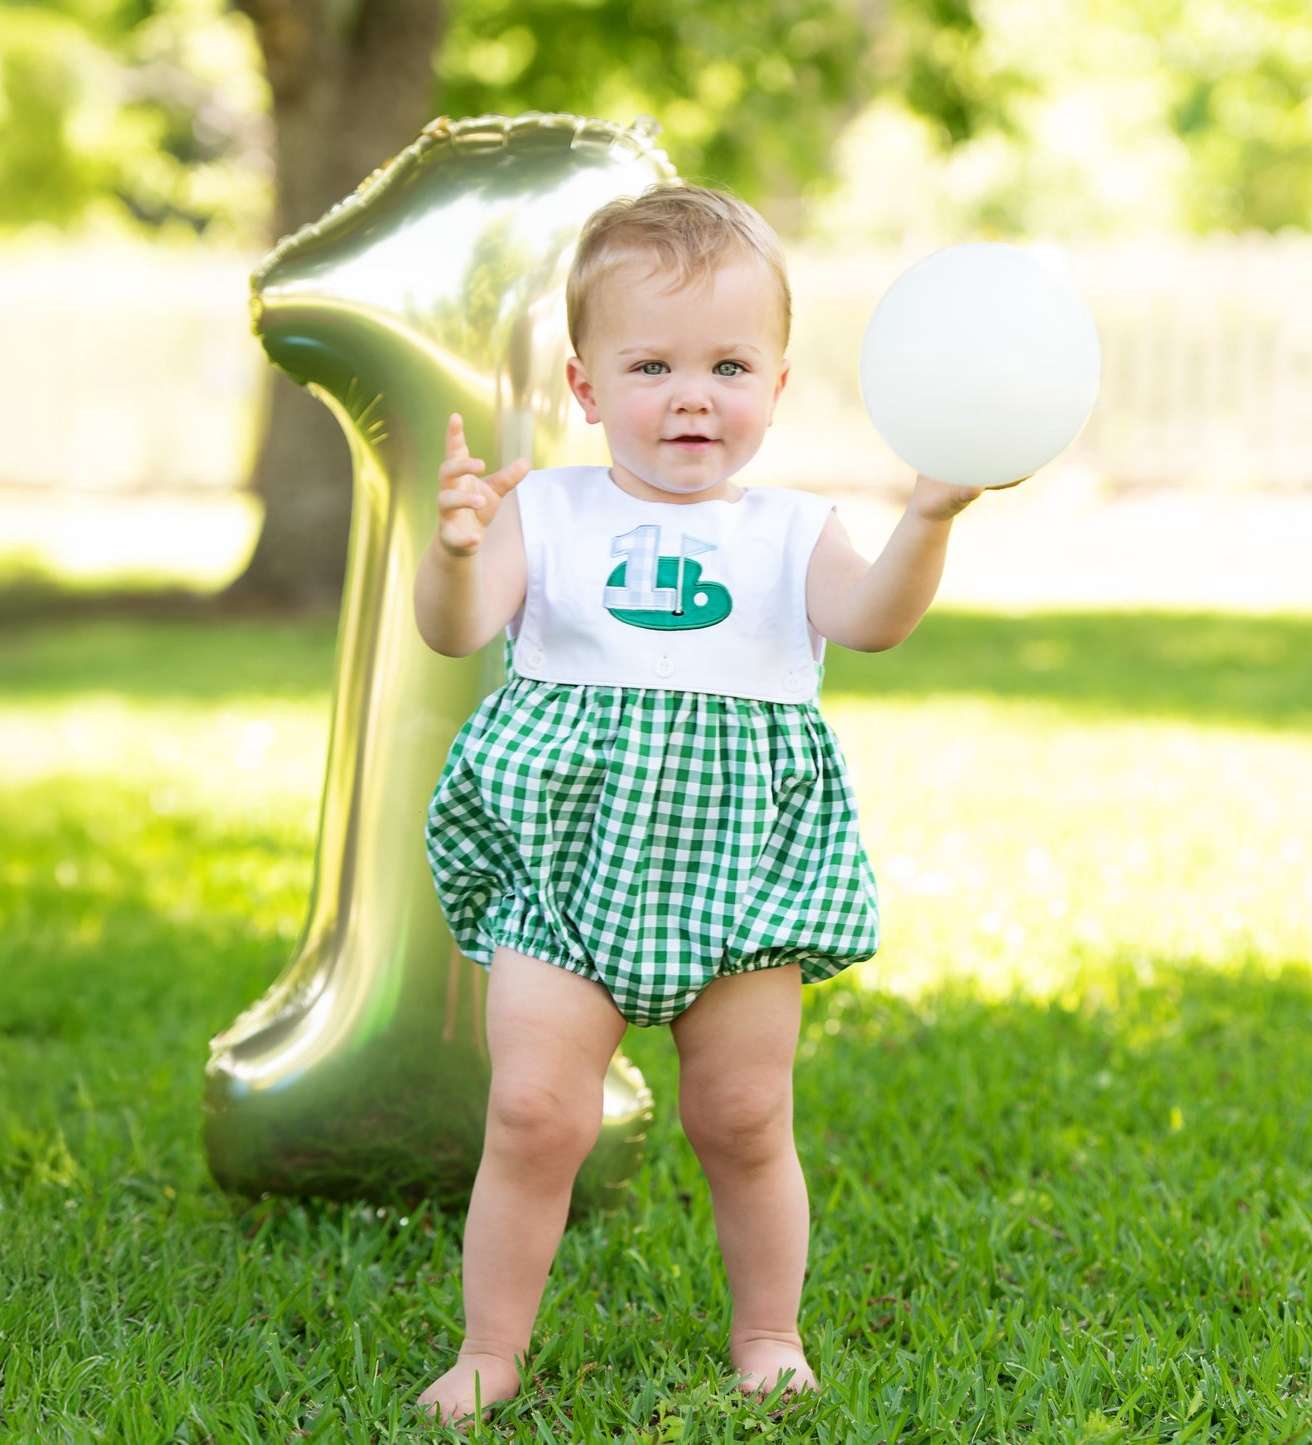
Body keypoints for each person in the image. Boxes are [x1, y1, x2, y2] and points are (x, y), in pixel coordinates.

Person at [413, 183, 998, 1425]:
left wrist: (926, 519)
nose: (692, 394)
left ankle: (767, 1329)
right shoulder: (550, 513)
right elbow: (457, 627)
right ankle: (489, 1346)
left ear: (777, 387)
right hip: (562, 867)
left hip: (738, 869)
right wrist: (456, 546)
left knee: (740, 1112)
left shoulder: (792, 533)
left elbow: (874, 620)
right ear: (583, 387)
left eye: (728, 364)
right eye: (652, 364)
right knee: (531, 1108)